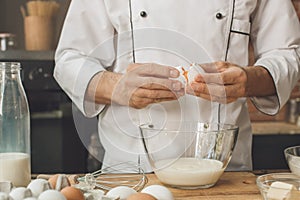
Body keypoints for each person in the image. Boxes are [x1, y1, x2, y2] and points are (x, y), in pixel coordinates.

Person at [54, 0, 300, 171]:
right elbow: (69, 60)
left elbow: (287, 54)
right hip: (131, 171)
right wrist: (115, 86)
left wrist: (249, 80)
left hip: (226, 172)